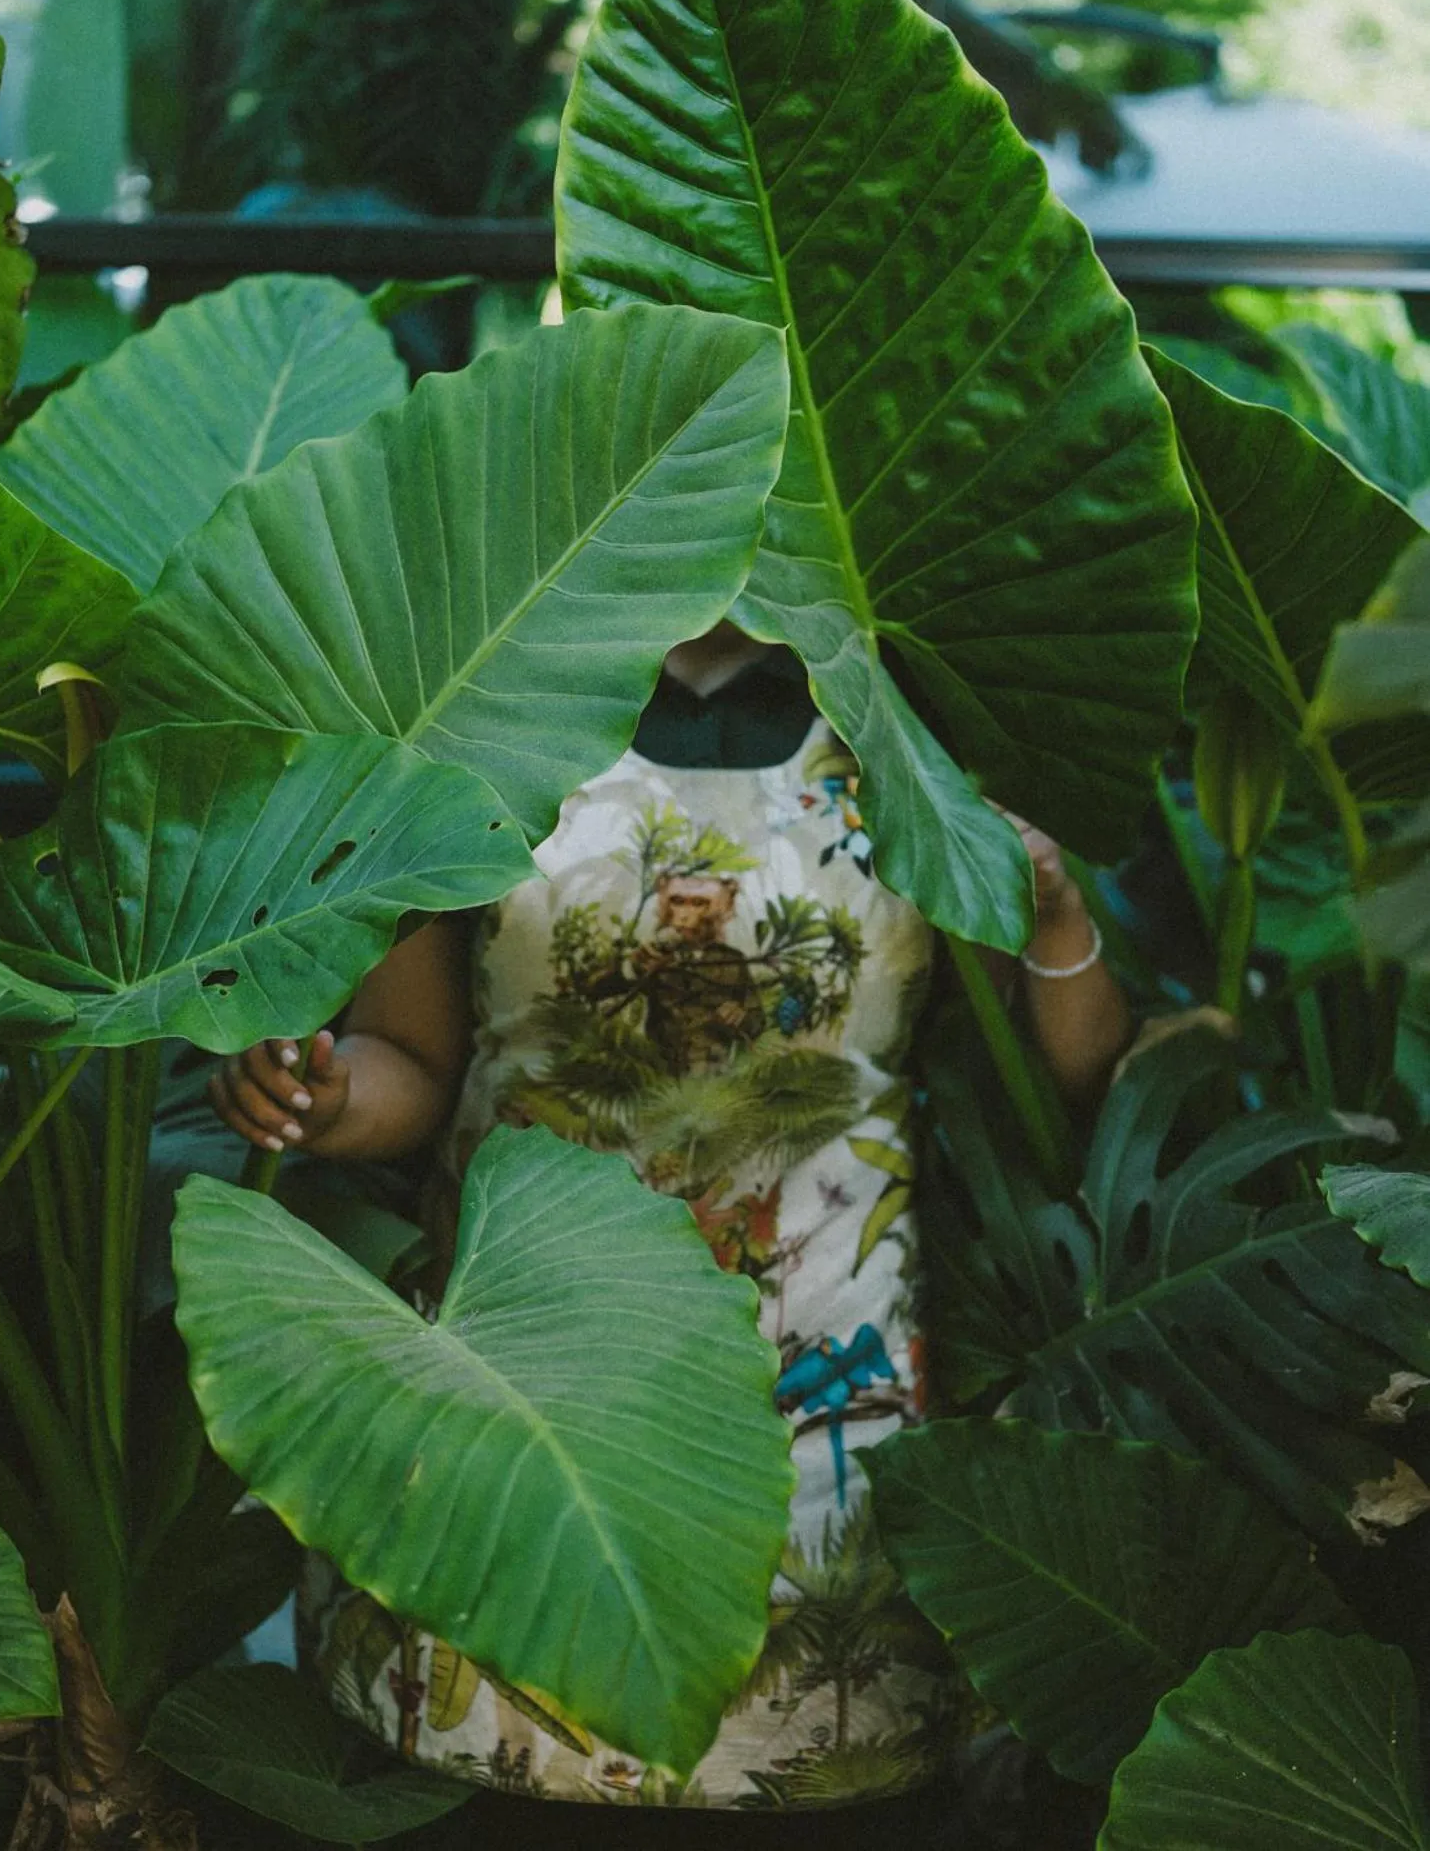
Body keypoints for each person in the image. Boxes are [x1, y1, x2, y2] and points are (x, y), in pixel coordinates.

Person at [210, 621, 1131, 1835]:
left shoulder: (905, 702)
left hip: (825, 1397)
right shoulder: (492, 685)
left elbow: (1077, 1080)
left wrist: (1053, 912)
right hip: (521, 1387)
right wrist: (320, 1101)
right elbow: (416, 1064)